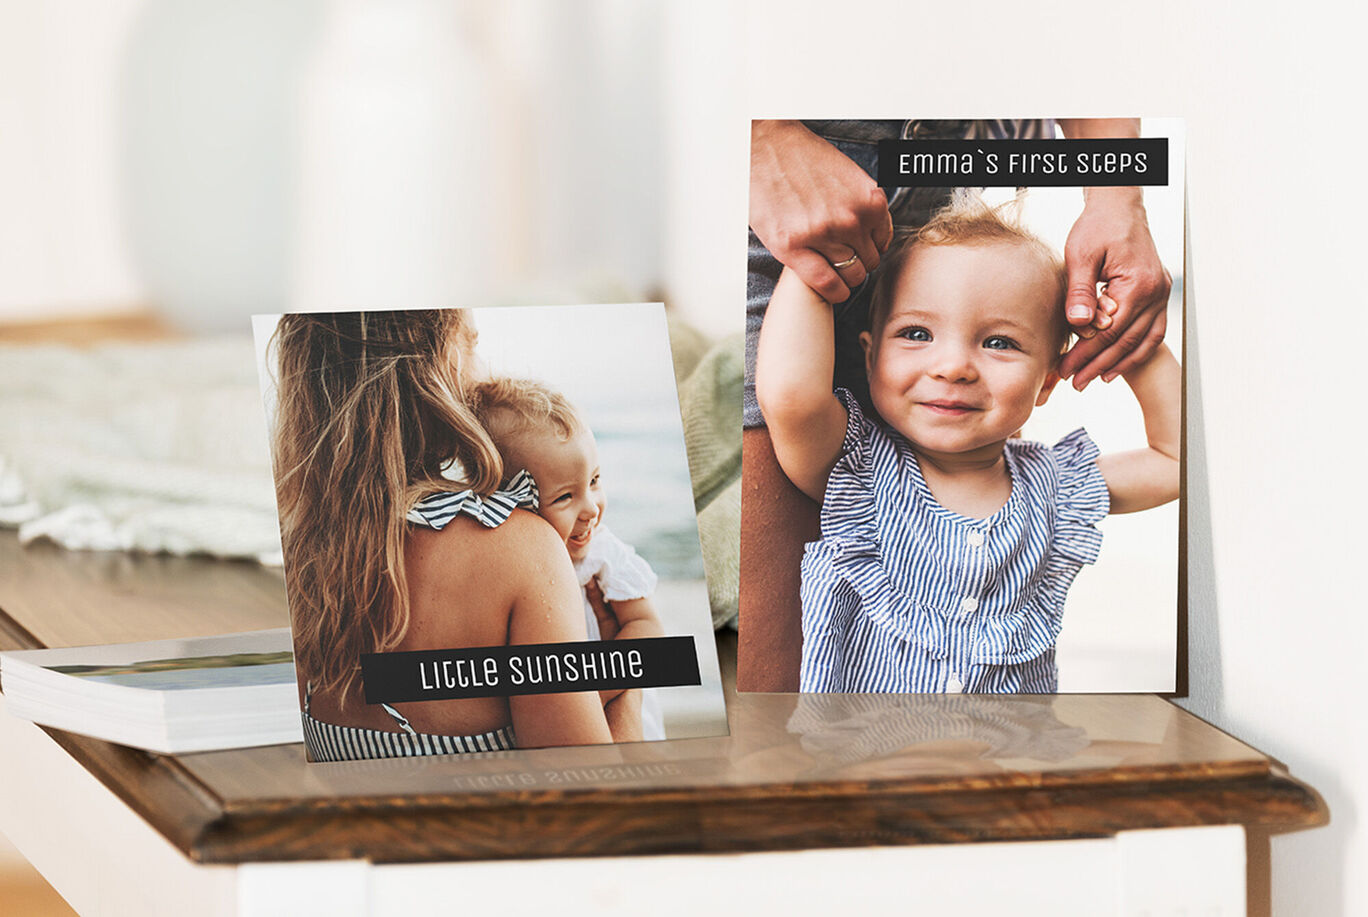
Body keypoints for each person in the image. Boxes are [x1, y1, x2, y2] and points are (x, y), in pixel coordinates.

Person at [740, 118, 1172, 691]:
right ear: (868, 360)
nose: (953, 367)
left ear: (1048, 381)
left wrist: (1122, 337)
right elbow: (791, 397)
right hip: (863, 768)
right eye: (917, 333)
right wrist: (816, 260)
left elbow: (1176, 461)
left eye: (999, 343)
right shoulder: (857, 474)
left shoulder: (1057, 489)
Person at [271, 310, 612, 761]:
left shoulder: (297, 549)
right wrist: (633, 694)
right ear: (429, 370)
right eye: (470, 345)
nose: (482, 371)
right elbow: (587, 787)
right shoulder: (522, 551)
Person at [470, 376, 666, 741]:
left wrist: (596, 693)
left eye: (594, 480)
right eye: (564, 497)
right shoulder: (508, 568)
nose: (591, 508)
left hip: (624, 722)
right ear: (507, 503)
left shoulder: (604, 555)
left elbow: (648, 629)